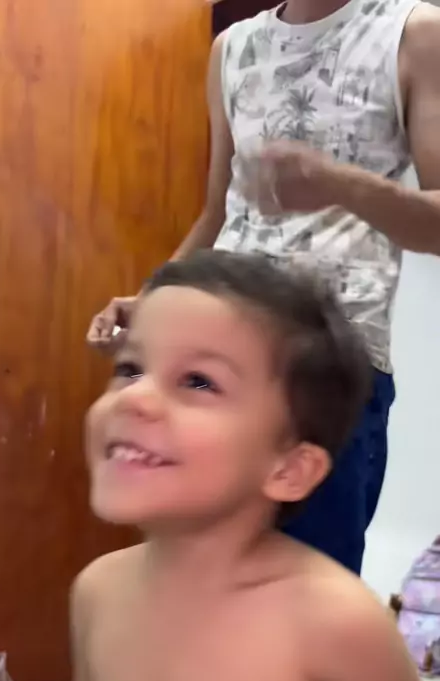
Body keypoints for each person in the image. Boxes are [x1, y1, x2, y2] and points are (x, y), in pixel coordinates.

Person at [36, 251, 440, 681]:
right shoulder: (99, 591)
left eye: (199, 381)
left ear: (289, 469)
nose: (136, 398)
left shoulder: (336, 625)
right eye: (130, 368)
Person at [87, 0, 440, 576]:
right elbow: (218, 213)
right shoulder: (231, 48)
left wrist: (341, 186)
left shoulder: (414, 33)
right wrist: (152, 302)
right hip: (215, 367)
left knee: (308, 591)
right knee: (194, 579)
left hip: (326, 370)